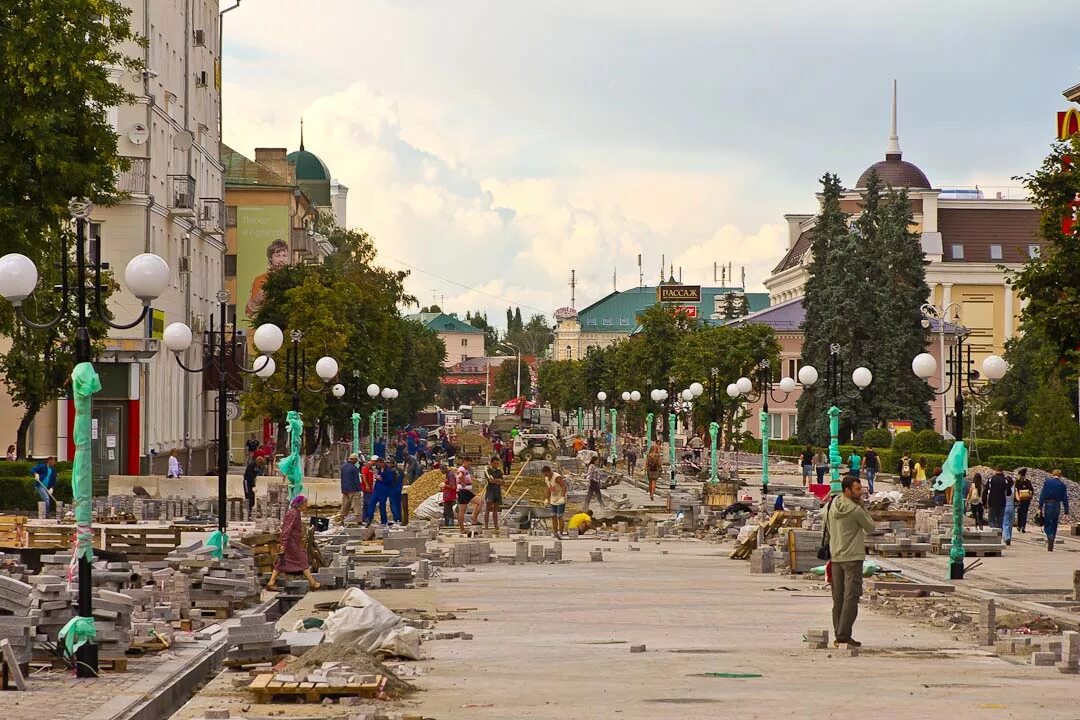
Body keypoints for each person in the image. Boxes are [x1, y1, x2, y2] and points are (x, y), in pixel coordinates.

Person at [825, 475, 875, 648]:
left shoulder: (832, 506)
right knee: (851, 597)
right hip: (853, 557)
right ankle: (843, 636)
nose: (860, 492)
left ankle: (839, 633)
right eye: (857, 489)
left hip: (836, 556)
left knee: (838, 598)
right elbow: (870, 527)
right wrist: (862, 506)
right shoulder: (855, 510)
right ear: (847, 490)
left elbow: (829, 528)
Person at [267, 495, 321, 591]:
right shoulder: (293, 513)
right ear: (301, 504)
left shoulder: (295, 512)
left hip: (292, 542)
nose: (306, 506)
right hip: (291, 543)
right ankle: (313, 583)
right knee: (302, 560)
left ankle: (271, 582)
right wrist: (284, 543)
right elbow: (287, 529)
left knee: (281, 562)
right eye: (305, 503)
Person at [246, 238, 290, 317]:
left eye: (284, 256)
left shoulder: (293, 278)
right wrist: (258, 299)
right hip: (267, 323)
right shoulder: (260, 280)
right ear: (270, 258)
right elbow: (249, 313)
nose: (282, 260)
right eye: (277, 256)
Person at [1039, 469, 1070, 551]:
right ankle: (1051, 544)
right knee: (1054, 523)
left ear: (1052, 474)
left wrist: (1040, 507)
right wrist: (1066, 511)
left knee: (1047, 523)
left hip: (1048, 504)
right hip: (1057, 504)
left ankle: (1049, 535)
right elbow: (1065, 498)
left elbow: (1043, 494)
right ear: (1060, 476)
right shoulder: (1062, 485)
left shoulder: (1047, 483)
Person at [542, 464, 568, 539]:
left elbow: (564, 486)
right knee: (553, 516)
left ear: (549, 471)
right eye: (545, 474)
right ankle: (555, 532)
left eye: (547, 474)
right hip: (553, 498)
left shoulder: (557, 477)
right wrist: (547, 498)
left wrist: (562, 497)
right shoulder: (547, 478)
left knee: (559, 516)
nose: (546, 476)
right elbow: (549, 488)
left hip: (560, 498)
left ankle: (561, 533)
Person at [483, 455, 504, 530]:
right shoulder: (488, 471)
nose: (496, 465)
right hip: (490, 492)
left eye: (497, 464)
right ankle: (486, 526)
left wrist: (497, 481)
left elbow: (502, 482)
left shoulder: (499, 472)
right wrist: (497, 480)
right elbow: (490, 480)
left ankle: (496, 526)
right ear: (491, 463)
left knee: (496, 509)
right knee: (488, 509)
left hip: (497, 492)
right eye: (495, 463)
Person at [339, 453, 362, 522]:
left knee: (345, 504)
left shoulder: (343, 467)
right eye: (356, 460)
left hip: (345, 489)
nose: (356, 462)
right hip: (353, 489)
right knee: (356, 504)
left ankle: (342, 518)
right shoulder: (354, 468)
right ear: (354, 459)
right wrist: (359, 489)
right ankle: (358, 519)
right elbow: (356, 480)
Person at [455, 457, 475, 533]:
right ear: (465, 462)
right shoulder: (462, 469)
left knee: (479, 502)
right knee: (462, 510)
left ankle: (474, 520)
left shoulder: (465, 470)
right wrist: (463, 483)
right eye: (469, 464)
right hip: (463, 491)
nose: (470, 465)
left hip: (466, 491)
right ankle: (462, 529)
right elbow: (460, 476)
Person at [1015, 468, 1034, 533]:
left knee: (1019, 512)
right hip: (1026, 499)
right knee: (1024, 512)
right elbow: (1031, 490)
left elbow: (1016, 490)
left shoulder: (1018, 482)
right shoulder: (1028, 481)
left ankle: (1019, 525)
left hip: (1020, 499)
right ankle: (1023, 526)